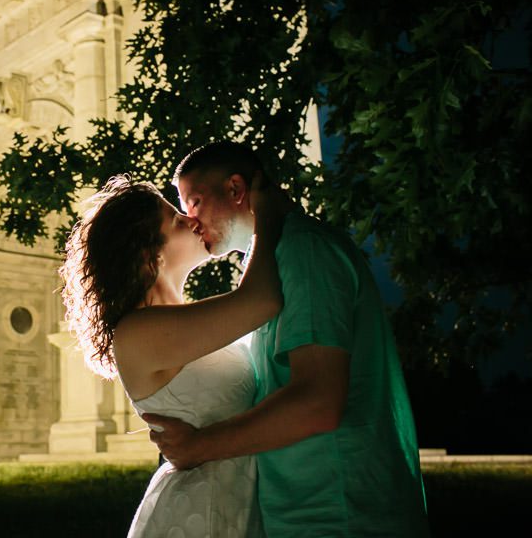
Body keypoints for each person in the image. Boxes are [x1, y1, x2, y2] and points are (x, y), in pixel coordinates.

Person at [144, 141, 430, 537]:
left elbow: (318, 402)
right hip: (305, 511)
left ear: (235, 189)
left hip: (342, 511)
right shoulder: (274, 261)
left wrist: (198, 446)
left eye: (194, 201)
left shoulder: (304, 252)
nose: (191, 219)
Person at [60, 174, 285, 537]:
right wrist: (267, 216)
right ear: (151, 251)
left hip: (238, 498)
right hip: (206, 510)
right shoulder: (138, 333)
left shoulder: (179, 322)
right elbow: (263, 300)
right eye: (178, 221)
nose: (192, 220)